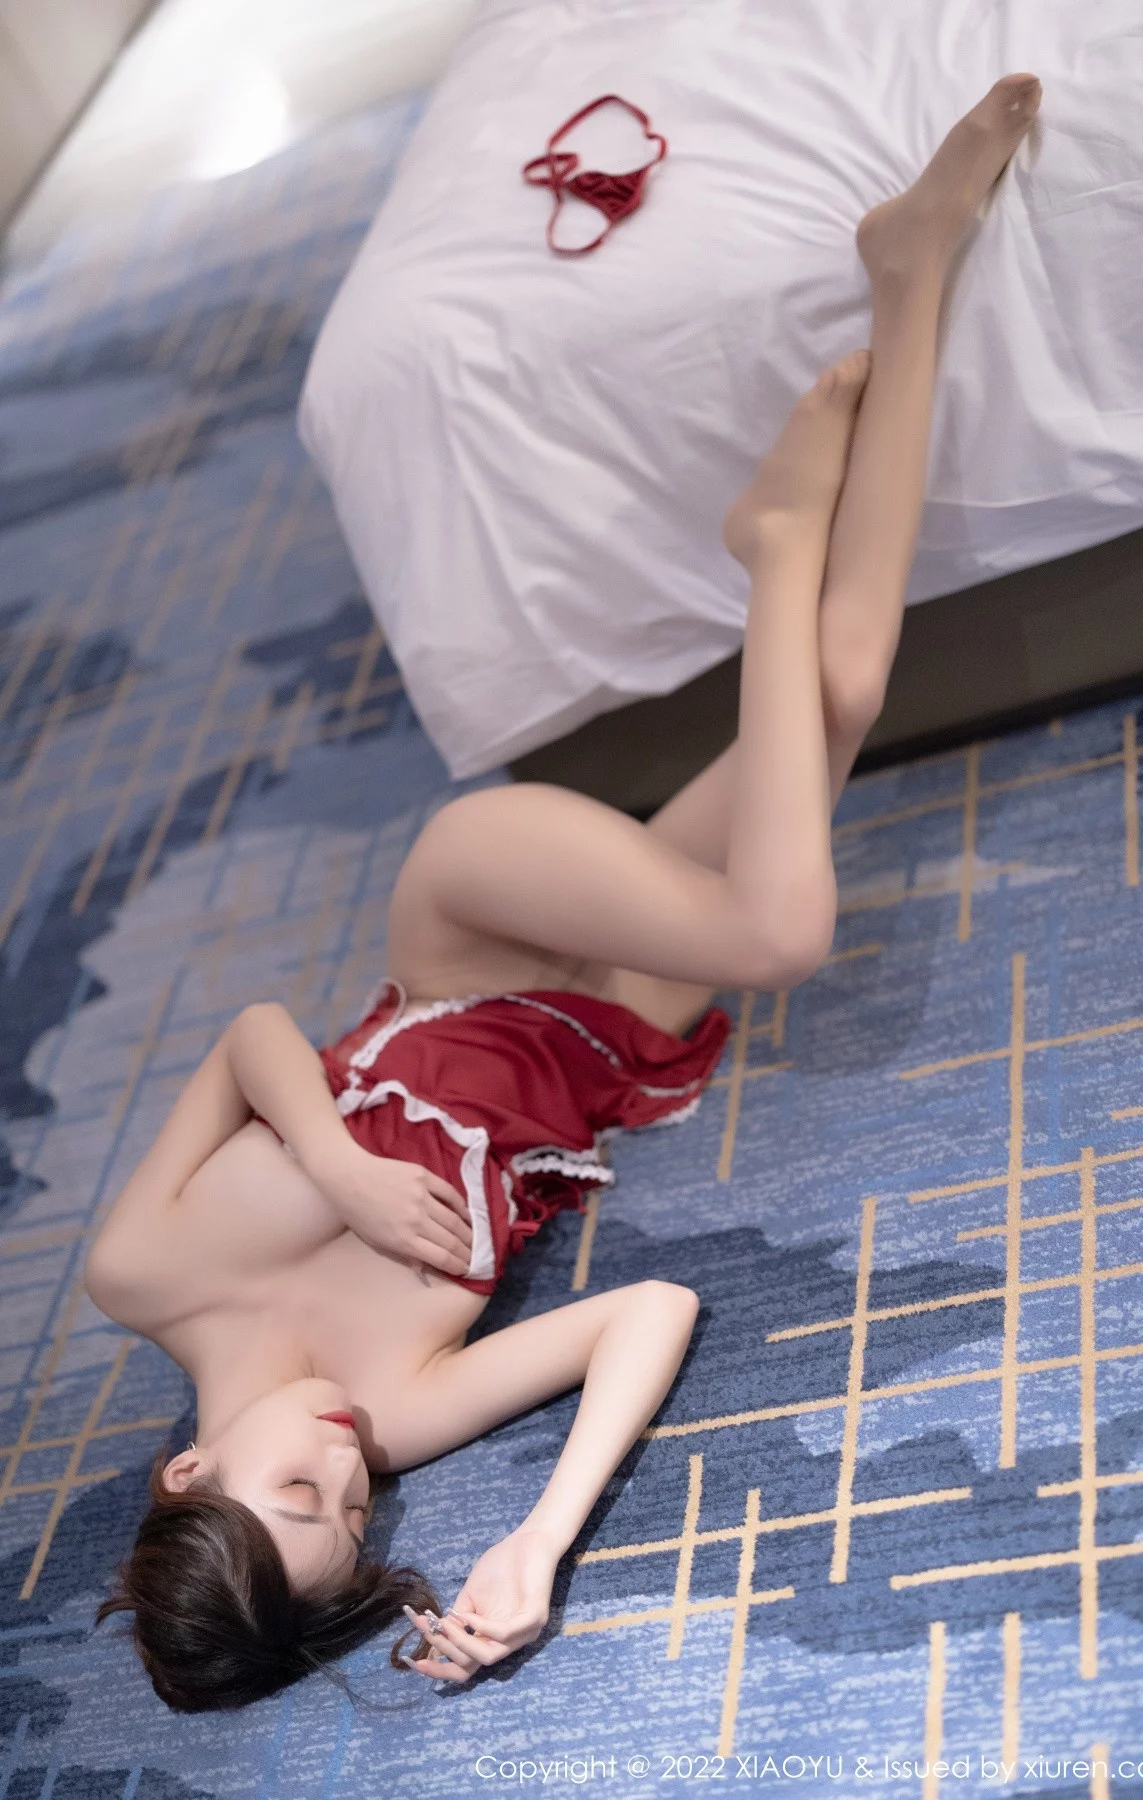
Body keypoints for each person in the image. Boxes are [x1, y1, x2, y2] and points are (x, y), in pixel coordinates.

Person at [86, 75, 1042, 1711]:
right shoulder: (393, 1409)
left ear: (187, 1473)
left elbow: (250, 1035)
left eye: (301, 1490)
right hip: (591, 1036)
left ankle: (773, 540)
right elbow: (646, 1311)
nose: (347, 1471)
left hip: (468, 939)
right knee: (841, 686)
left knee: (784, 926)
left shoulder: (143, 1276)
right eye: (356, 1520)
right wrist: (539, 1540)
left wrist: (338, 1163)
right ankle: (912, 275)